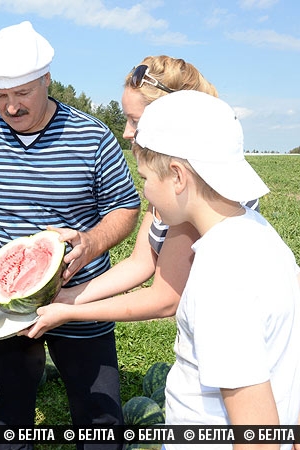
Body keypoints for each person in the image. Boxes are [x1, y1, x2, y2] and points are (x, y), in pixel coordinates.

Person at [0, 21, 141, 450]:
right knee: (5, 418)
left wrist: (91, 243)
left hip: (79, 294)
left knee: (99, 418)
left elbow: (125, 208)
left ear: (47, 79)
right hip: (1, 305)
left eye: (22, 94)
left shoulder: (91, 135)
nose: (10, 107)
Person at [23, 55, 258, 335]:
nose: (126, 132)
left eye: (135, 121)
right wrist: (66, 297)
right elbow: (140, 262)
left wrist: (71, 312)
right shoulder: (169, 186)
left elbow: (165, 298)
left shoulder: (194, 194)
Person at [135, 90, 299, 450]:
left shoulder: (219, 275)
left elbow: (258, 437)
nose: (144, 189)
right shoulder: (260, 232)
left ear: (177, 176)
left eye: (144, 176)